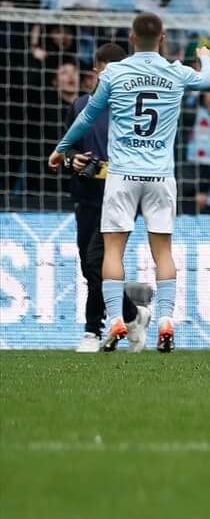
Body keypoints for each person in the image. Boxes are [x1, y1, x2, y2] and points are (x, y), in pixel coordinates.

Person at [50, 13, 210, 355]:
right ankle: (166, 319)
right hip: (159, 176)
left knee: (112, 251)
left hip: (122, 175)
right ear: (163, 37)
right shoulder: (175, 71)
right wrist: (205, 56)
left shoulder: (114, 73)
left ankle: (115, 320)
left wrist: (62, 148)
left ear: (130, 37)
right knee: (163, 252)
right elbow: (208, 80)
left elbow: (87, 116)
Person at [63, 42, 133, 351]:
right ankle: (134, 314)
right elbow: (64, 150)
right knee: (88, 265)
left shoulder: (131, 110)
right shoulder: (80, 106)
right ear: (97, 70)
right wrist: (73, 160)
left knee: (96, 263)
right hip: (86, 196)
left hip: (118, 198)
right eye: (106, 71)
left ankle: (93, 330)